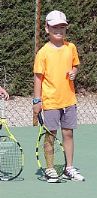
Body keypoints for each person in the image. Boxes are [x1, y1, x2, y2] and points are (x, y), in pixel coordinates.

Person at [33, 10, 85, 183]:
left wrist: (74, 72)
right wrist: (37, 100)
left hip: (69, 100)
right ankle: (50, 169)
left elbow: (75, 65)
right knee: (51, 135)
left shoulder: (71, 48)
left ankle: (69, 168)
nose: (59, 30)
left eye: (62, 27)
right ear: (47, 29)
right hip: (51, 101)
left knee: (68, 133)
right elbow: (38, 78)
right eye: (55, 27)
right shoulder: (43, 53)